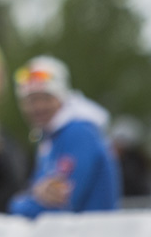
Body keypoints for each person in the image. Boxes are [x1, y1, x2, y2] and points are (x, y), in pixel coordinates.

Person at [8, 56, 121, 218]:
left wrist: (15, 205)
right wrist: (33, 195)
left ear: (62, 98)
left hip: (91, 233)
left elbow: (62, 207)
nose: (38, 106)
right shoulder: (51, 136)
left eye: (45, 98)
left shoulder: (78, 133)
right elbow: (38, 195)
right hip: (80, 232)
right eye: (30, 100)